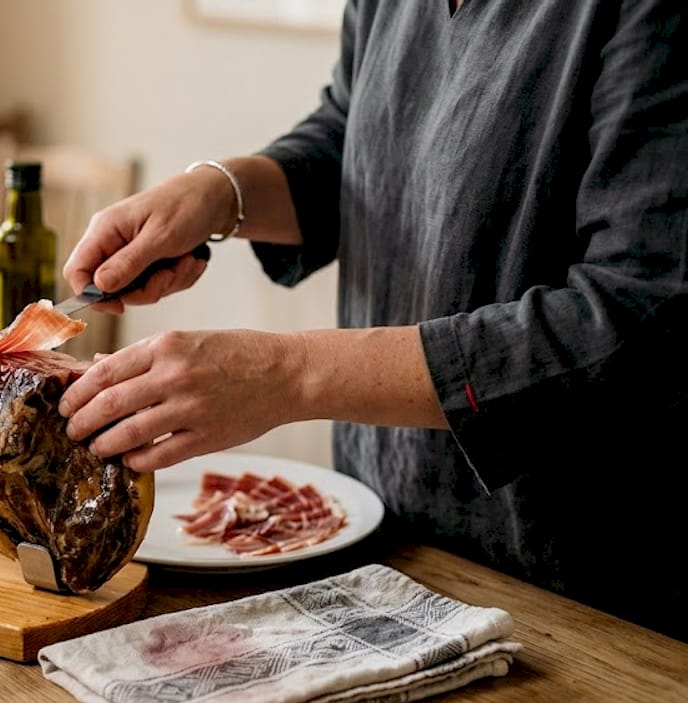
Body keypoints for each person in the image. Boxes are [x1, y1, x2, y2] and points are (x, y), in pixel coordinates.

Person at [58, 0, 687, 641]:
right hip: (384, 549)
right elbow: (350, 138)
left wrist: (287, 374)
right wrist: (221, 193)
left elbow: (644, 318)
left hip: (587, 593)